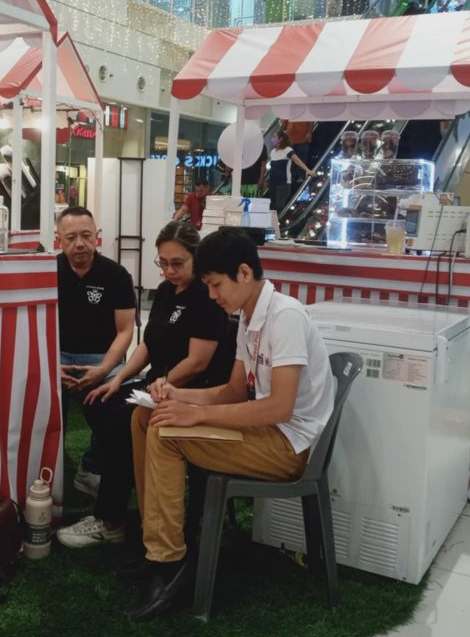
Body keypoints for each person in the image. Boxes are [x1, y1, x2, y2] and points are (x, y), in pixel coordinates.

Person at [126, 227, 335, 620]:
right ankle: (157, 540)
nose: (212, 295)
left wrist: (197, 413)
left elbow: (280, 408)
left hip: (288, 446)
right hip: (265, 432)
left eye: (215, 284)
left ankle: (167, 561)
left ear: (243, 272)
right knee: (146, 415)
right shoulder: (249, 317)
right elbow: (235, 392)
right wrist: (175, 393)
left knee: (165, 433)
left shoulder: (284, 316)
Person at [58, 222, 232, 548]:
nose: (169, 270)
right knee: (98, 400)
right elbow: (148, 344)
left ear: (197, 258)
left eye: (177, 263)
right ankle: (122, 483)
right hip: (154, 385)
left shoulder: (206, 295)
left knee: (120, 422)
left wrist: (163, 382)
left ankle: (111, 518)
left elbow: (198, 361)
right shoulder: (166, 291)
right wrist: (117, 378)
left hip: (189, 392)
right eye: (163, 263)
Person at [57, 207, 137, 497]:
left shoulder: (116, 275)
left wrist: (104, 369)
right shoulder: (47, 273)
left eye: (86, 236)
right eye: (71, 237)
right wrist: (50, 364)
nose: (80, 243)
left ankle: (91, 468)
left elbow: (126, 331)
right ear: (59, 240)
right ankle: (45, 470)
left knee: (119, 403)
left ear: (97, 237)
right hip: (58, 358)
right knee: (33, 397)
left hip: (103, 359)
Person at [265, 129, 314, 211]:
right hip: (272, 182)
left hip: (283, 183)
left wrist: (307, 170)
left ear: (280, 139)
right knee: (272, 206)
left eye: (274, 137)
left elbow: (297, 160)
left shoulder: (288, 150)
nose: (272, 139)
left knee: (279, 206)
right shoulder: (273, 152)